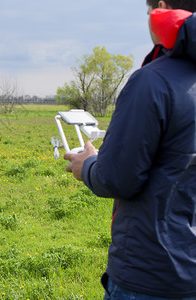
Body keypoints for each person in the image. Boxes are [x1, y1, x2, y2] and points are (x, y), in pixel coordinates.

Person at [64, 0, 196, 299]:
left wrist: (86, 164)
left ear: (159, 7)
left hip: (151, 273)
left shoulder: (152, 81)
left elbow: (118, 178)